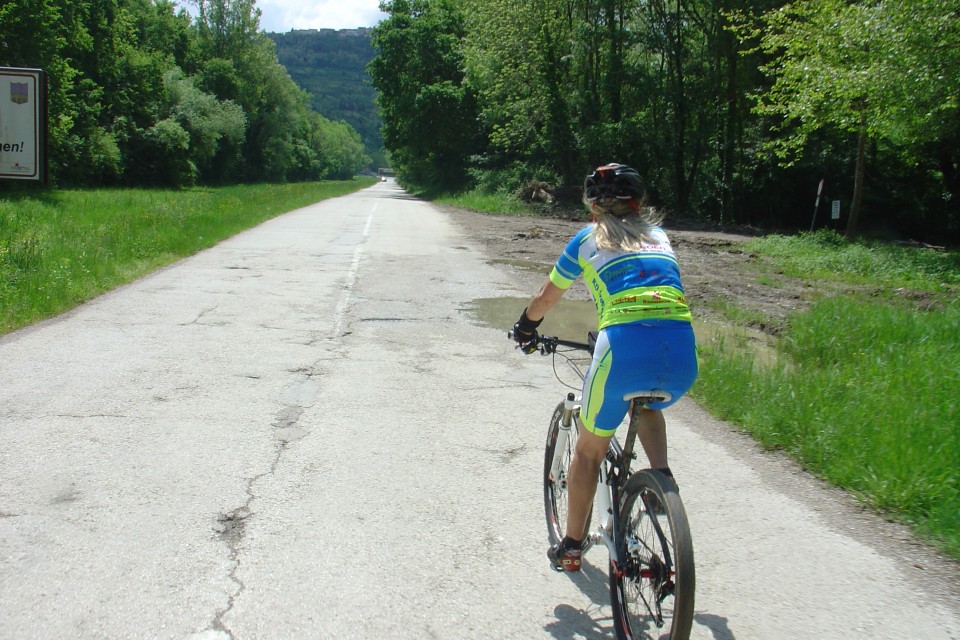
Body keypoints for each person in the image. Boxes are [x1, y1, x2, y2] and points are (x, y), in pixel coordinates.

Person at [512, 163, 698, 572]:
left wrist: (526, 326)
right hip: (682, 352)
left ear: (593, 206)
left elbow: (545, 298)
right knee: (647, 403)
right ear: (638, 203)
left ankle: (573, 545)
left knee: (588, 452)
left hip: (623, 350)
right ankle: (661, 482)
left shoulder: (586, 240)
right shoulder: (659, 237)